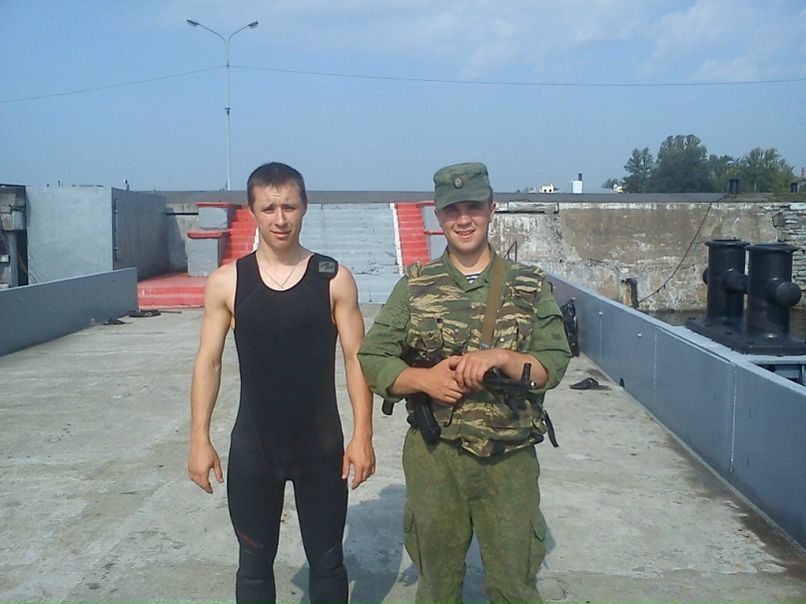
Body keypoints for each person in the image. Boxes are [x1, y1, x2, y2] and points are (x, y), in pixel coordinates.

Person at [358, 162, 571, 604]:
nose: (463, 219)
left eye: (473, 207)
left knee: (514, 588)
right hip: (437, 458)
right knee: (437, 588)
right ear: (439, 216)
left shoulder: (528, 285)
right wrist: (425, 380)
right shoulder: (416, 286)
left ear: (491, 209)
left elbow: (552, 364)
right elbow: (373, 356)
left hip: (508, 461)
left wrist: (504, 358)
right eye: (452, 210)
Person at [188, 162, 375, 604]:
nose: (280, 218)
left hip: (321, 449)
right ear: (252, 211)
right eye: (269, 208)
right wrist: (199, 438)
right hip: (255, 450)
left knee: (328, 563)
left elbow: (356, 359)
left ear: (304, 207)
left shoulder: (333, 278)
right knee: (253, 566)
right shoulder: (228, 282)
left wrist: (362, 435)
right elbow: (208, 362)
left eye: (289, 206)